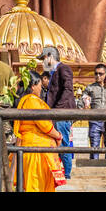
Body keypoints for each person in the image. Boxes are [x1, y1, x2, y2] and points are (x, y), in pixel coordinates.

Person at [10, 72, 65, 192]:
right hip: (35, 151)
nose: (41, 88)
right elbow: (44, 124)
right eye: (40, 85)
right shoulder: (31, 100)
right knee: (36, 186)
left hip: (35, 149)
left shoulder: (26, 100)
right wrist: (58, 136)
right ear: (33, 86)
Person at [42, 45, 75, 179]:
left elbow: (68, 89)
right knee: (58, 143)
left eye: (43, 59)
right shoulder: (54, 72)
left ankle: (66, 174)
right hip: (56, 113)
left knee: (63, 143)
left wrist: (58, 109)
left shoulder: (63, 68)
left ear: (49, 57)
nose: (43, 62)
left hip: (62, 113)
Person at [82, 63, 106, 159]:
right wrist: (85, 104)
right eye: (96, 73)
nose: (98, 76)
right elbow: (83, 98)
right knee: (94, 145)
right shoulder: (90, 88)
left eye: (100, 74)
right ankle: (94, 164)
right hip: (94, 119)